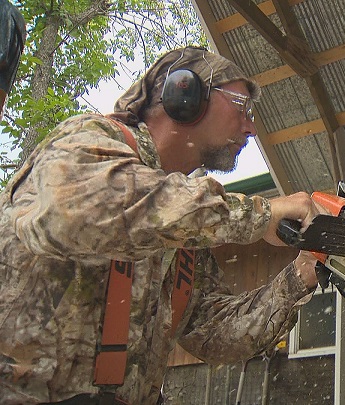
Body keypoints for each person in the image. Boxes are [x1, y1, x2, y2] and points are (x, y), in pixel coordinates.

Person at [0, 46, 325, 404]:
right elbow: (77, 214)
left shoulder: (185, 229)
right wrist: (259, 215)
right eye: (241, 107)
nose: (251, 128)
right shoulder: (87, 141)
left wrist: (301, 275)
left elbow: (213, 333)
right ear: (184, 94)